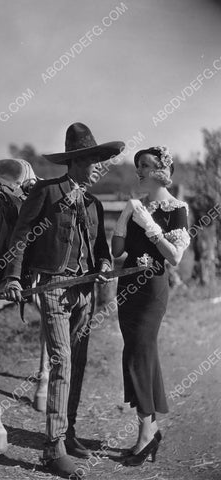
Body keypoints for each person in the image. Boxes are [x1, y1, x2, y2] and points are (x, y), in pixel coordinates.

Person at [3, 123, 124, 478]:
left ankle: (68, 433)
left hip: (85, 290)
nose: (96, 168)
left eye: (99, 161)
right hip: (53, 287)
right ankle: (52, 448)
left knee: (78, 360)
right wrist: (12, 275)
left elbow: (101, 247)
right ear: (73, 163)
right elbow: (21, 235)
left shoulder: (94, 203)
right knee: (62, 362)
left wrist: (103, 264)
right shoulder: (47, 192)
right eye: (91, 161)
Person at [112, 146, 191, 466]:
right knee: (134, 353)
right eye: (138, 165)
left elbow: (174, 257)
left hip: (152, 293)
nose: (139, 171)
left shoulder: (177, 208)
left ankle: (146, 430)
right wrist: (124, 219)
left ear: (162, 170)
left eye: (145, 165)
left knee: (139, 354)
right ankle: (151, 426)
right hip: (127, 289)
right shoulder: (135, 205)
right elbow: (118, 252)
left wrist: (150, 226)